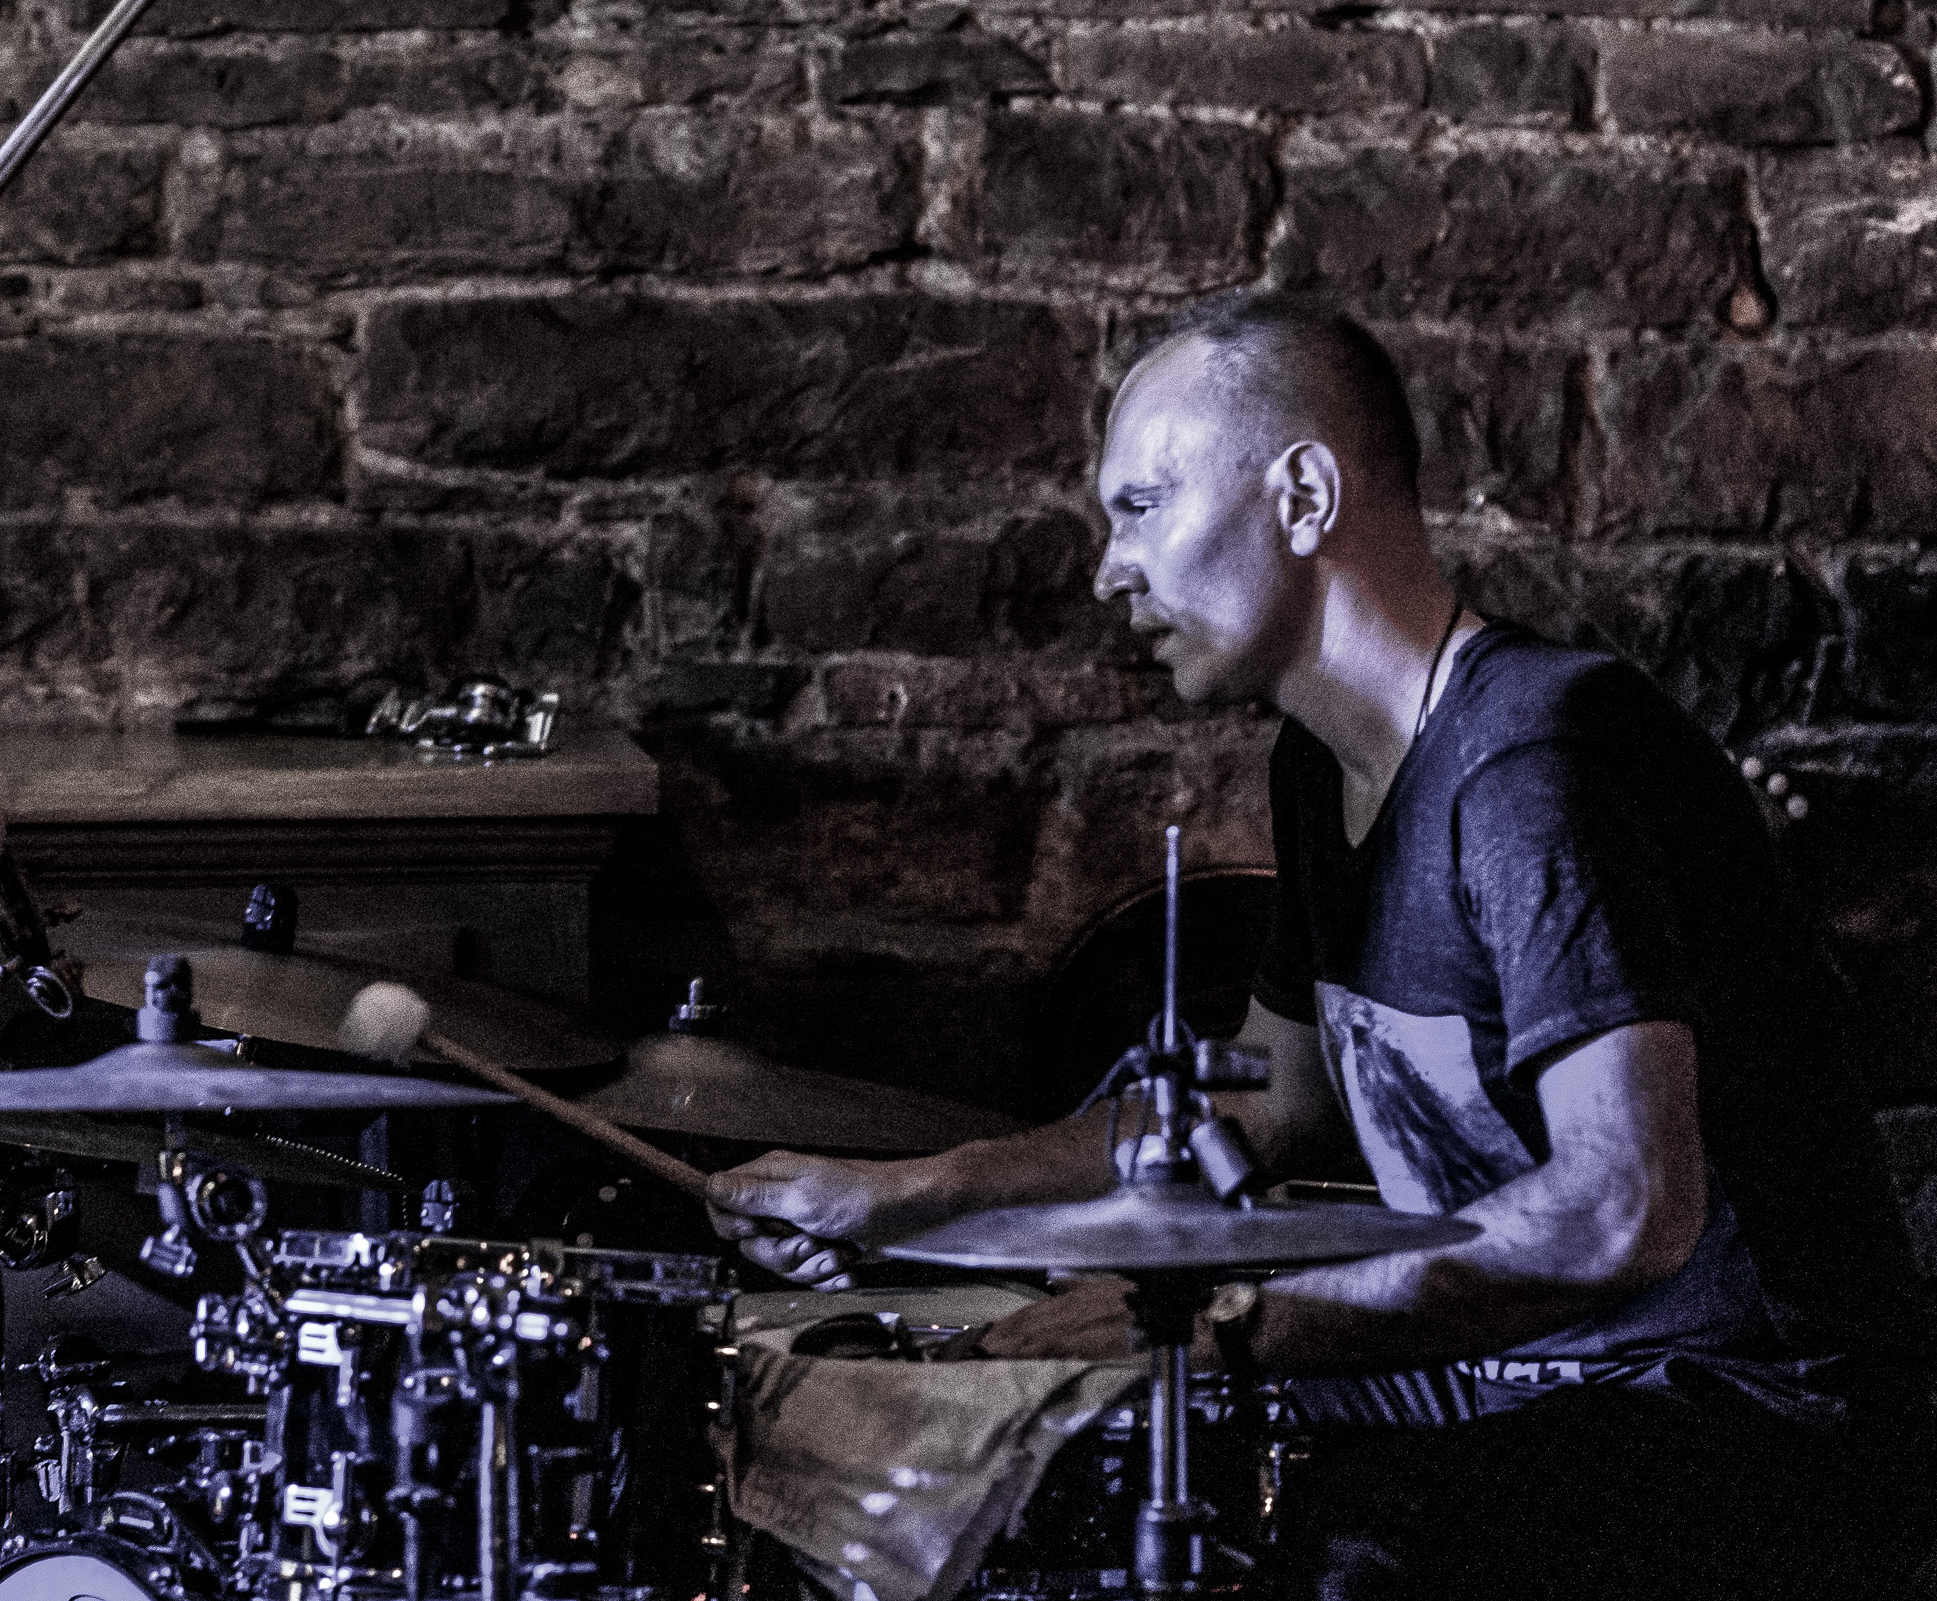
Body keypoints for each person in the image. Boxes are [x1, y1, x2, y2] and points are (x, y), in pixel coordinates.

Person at [710, 292, 1932, 1599]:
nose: (1109, 571)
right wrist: (921, 1190)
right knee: (1057, 1442)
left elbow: (1620, 1211)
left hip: (1745, 1423)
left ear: (1302, 498)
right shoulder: (1319, 764)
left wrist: (1219, 1323)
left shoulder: (1532, 761)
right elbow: (1269, 1114)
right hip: (1512, 1382)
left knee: (1336, 1536)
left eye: (1142, 508)